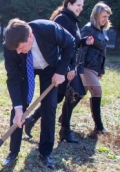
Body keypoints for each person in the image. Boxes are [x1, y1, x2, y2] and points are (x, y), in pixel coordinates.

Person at [3, 18, 75, 169]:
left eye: (21, 48)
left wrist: (61, 71)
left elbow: (70, 43)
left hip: (50, 68)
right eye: (15, 50)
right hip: (25, 70)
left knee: (49, 107)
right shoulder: (10, 47)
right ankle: (13, 152)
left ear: (30, 36)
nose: (18, 52)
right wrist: (18, 108)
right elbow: (13, 78)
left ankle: (45, 153)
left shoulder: (49, 29)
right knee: (19, 108)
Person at [24, 0, 94, 143]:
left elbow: (72, 42)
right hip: (62, 68)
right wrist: (66, 69)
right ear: (69, 4)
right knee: (73, 94)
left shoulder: (72, 20)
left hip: (69, 66)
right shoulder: (62, 19)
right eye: (78, 5)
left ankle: (33, 119)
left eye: (82, 5)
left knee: (58, 97)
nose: (81, 8)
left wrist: (84, 41)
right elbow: (58, 47)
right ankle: (65, 131)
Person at [79, 2, 112, 136]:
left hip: (95, 68)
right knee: (97, 91)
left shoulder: (102, 30)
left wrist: (101, 70)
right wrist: (80, 70)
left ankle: (63, 117)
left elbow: (102, 51)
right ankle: (99, 127)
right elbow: (81, 49)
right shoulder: (88, 29)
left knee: (78, 94)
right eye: (104, 16)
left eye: (107, 17)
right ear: (96, 15)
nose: (106, 19)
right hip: (86, 66)